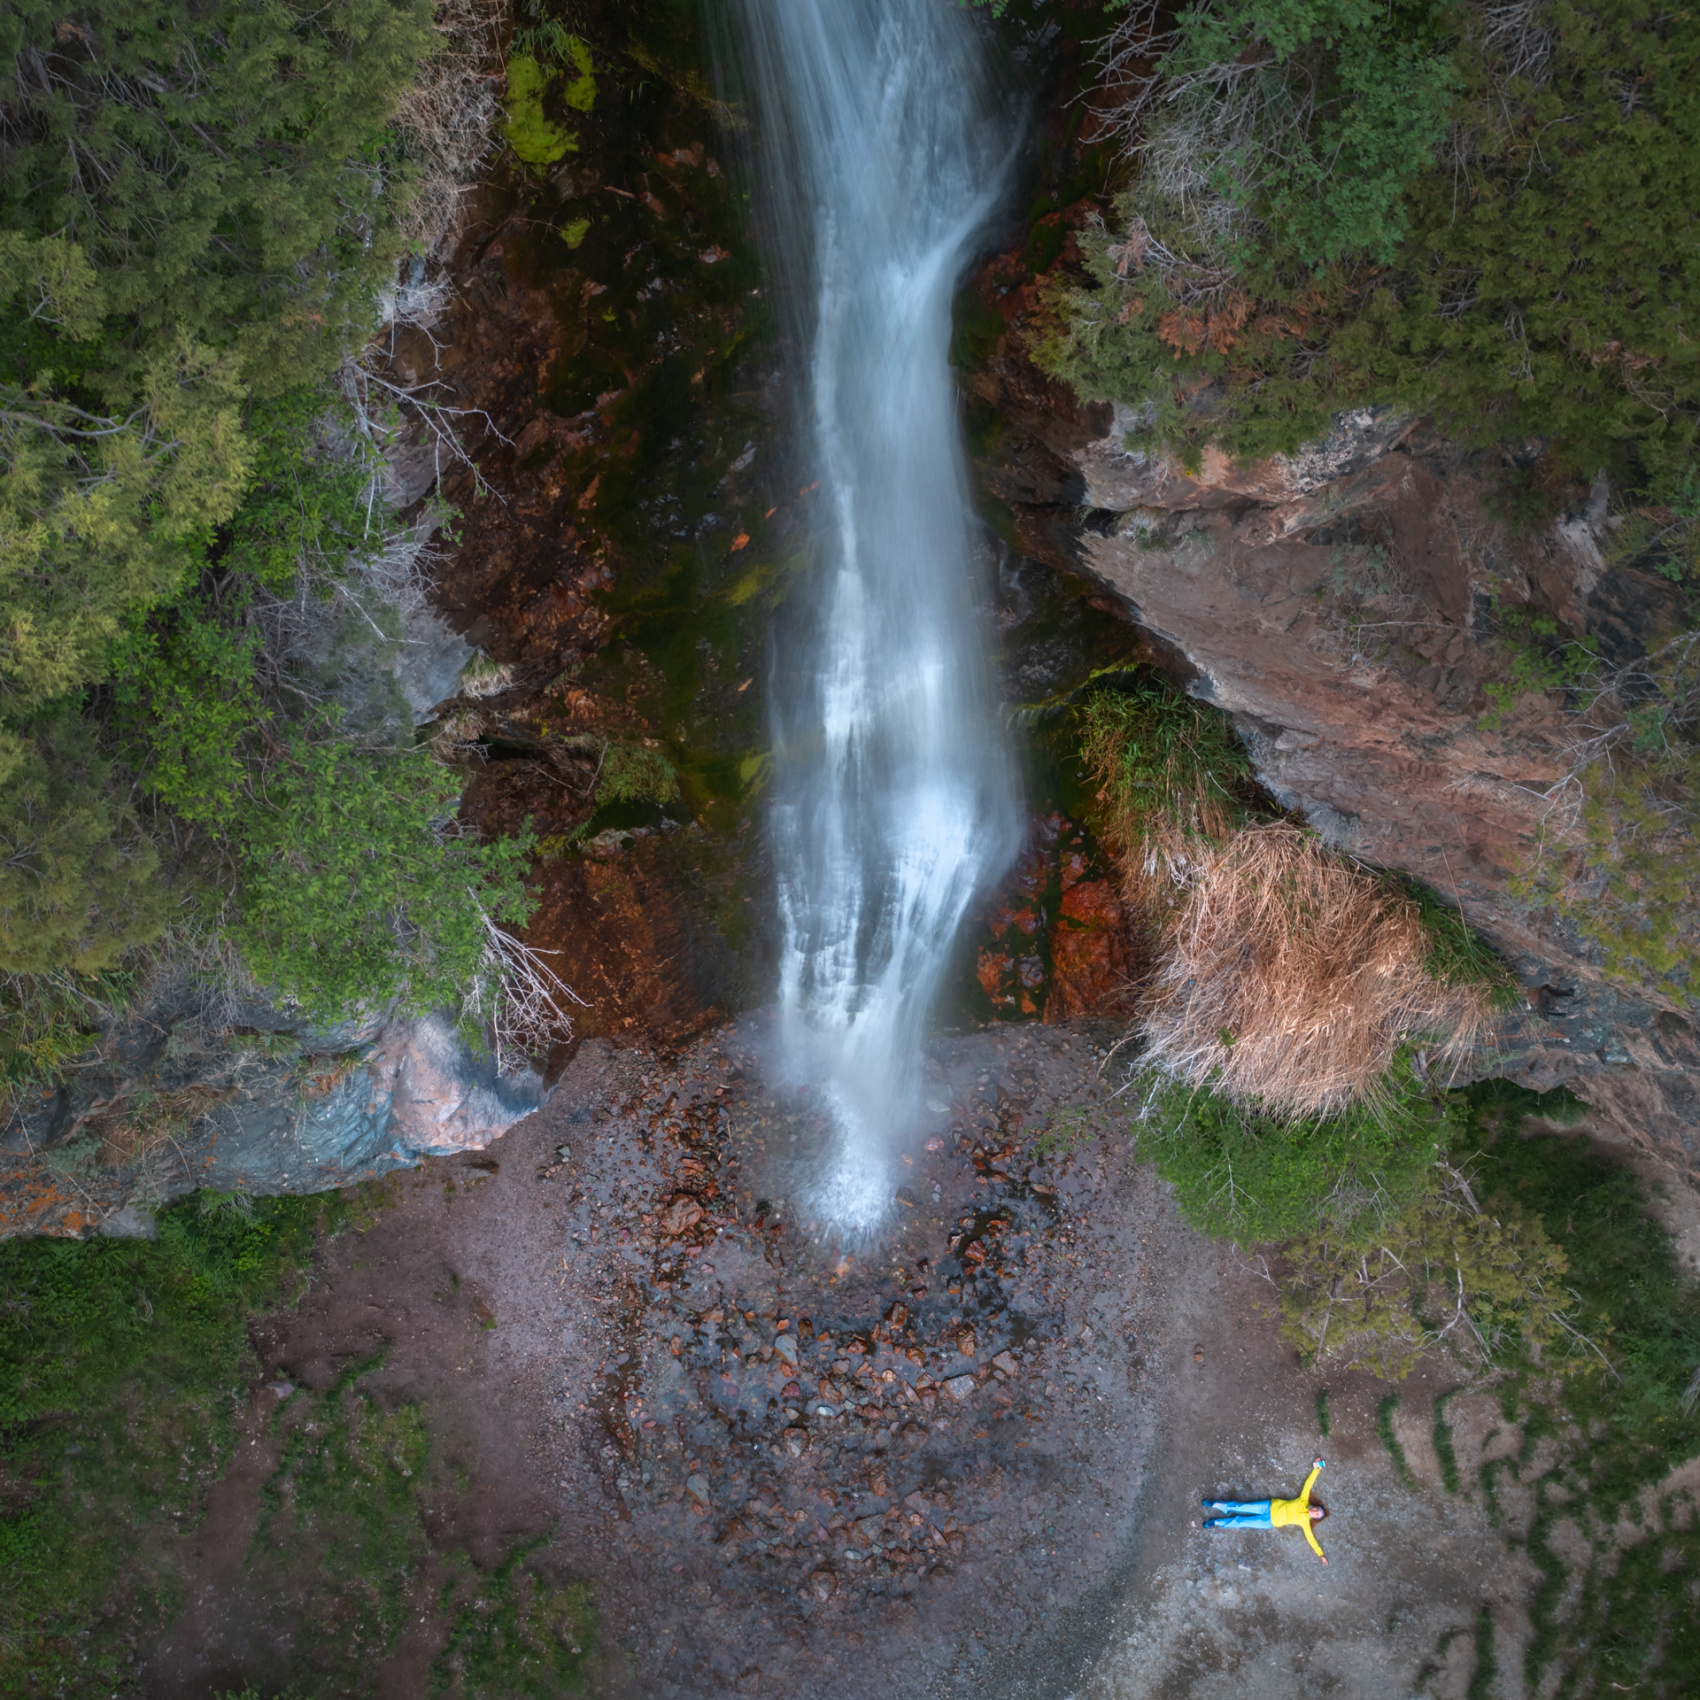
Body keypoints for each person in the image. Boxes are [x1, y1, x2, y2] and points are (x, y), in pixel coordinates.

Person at [1202, 1457, 1329, 1562]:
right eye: (1317, 1510)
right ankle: (1217, 1505)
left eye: (1316, 1514)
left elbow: (1311, 1539)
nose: (1315, 1512)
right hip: (1268, 1506)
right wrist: (1316, 1470)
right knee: (1241, 1506)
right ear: (1314, 1506)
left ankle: (1216, 1522)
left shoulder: (1305, 1523)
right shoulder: (1303, 1500)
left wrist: (1320, 1554)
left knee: (1241, 1521)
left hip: (1268, 1522)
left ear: (1314, 1518)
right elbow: (1308, 1484)